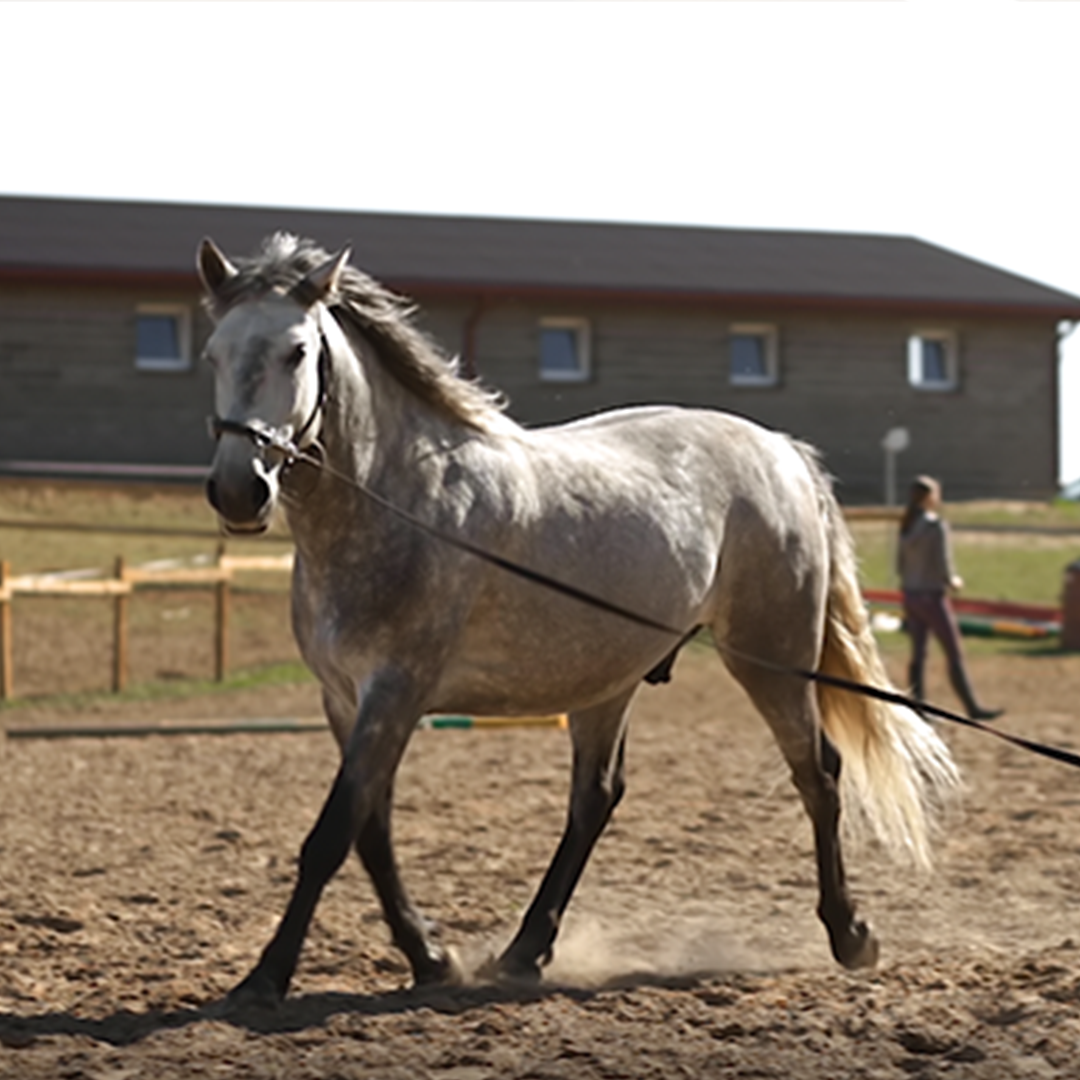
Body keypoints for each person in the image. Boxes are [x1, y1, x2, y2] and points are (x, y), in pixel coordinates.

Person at [897, 475, 1003, 721]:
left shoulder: (906, 526)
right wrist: (954, 581)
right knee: (953, 651)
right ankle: (972, 706)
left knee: (918, 654)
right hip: (932, 596)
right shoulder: (935, 526)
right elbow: (944, 565)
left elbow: (900, 565)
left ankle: (918, 706)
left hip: (911, 595)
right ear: (929, 497)